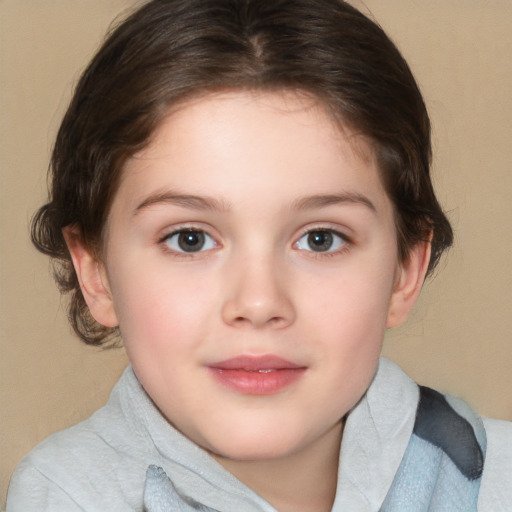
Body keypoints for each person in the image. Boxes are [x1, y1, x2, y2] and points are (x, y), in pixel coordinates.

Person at [6, 0, 511, 510]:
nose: (259, 301)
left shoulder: (498, 481)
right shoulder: (61, 496)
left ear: (406, 269)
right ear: (95, 273)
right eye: (190, 239)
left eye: (320, 239)